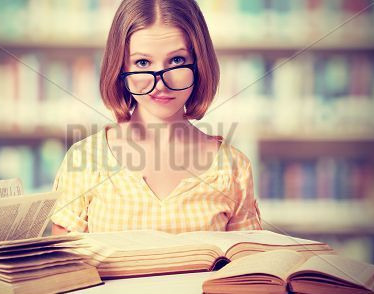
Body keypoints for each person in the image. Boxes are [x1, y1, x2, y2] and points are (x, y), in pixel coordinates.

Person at [51, 0, 262, 235]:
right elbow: (65, 267)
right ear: (120, 69)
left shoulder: (234, 168)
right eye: (142, 62)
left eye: (177, 61)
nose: (161, 84)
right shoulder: (85, 160)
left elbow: (247, 265)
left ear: (199, 64)